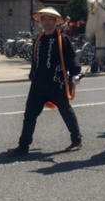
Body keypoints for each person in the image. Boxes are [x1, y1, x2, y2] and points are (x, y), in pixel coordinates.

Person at [8, 8, 83, 156]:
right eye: (44, 19)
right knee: (29, 115)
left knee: (66, 112)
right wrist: (32, 75)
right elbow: (35, 61)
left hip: (57, 83)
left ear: (55, 22)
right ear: (41, 21)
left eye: (50, 19)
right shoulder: (39, 39)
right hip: (38, 84)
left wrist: (75, 74)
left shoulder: (63, 39)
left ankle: (76, 140)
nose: (47, 21)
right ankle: (23, 146)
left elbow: (71, 58)